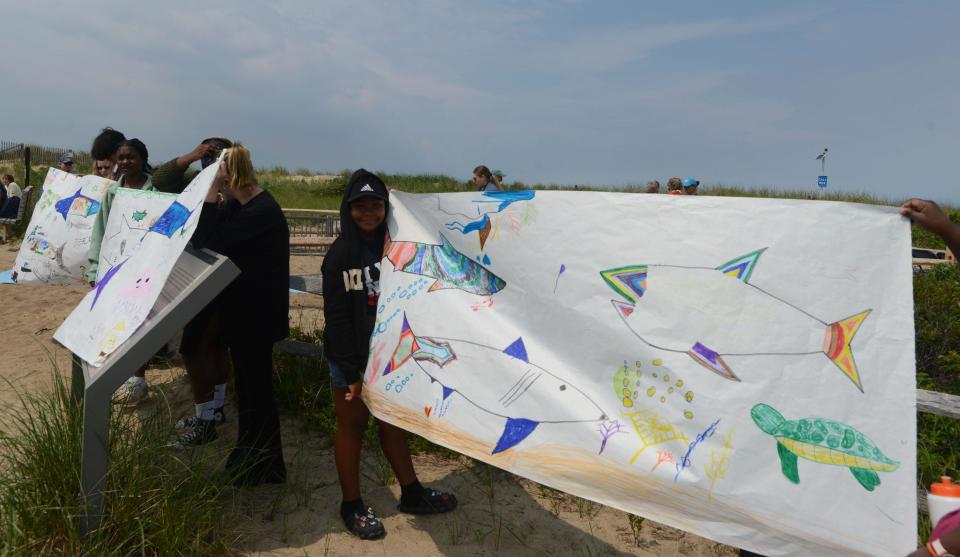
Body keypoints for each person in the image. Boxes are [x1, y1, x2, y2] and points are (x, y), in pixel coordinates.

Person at [322, 169, 458, 540]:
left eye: (377, 205)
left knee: (393, 420)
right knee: (352, 426)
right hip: (351, 355)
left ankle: (411, 491)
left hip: (391, 353)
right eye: (360, 206)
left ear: (387, 208)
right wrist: (350, 371)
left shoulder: (398, 244)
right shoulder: (340, 256)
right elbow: (336, 319)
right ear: (347, 209)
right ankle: (351, 503)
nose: (369, 213)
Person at [190, 144, 289, 485]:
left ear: (231, 177)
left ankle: (266, 465)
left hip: (257, 320)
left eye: (221, 179)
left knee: (257, 394)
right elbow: (210, 229)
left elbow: (205, 239)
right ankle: (252, 457)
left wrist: (211, 191)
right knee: (249, 393)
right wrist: (217, 196)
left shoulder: (261, 213)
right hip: (245, 317)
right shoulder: (242, 207)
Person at [160, 137, 235, 448]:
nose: (211, 158)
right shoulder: (196, 181)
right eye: (208, 152)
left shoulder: (234, 187)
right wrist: (192, 156)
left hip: (216, 278)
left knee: (194, 349)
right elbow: (161, 180)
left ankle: (206, 421)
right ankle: (214, 411)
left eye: (218, 153)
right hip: (199, 275)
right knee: (212, 347)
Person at [86, 138, 155, 405]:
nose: (125, 162)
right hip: (115, 268)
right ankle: (121, 375)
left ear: (142, 159)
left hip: (144, 270)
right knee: (115, 322)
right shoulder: (113, 192)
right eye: (122, 158)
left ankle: (138, 379)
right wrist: (95, 268)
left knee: (139, 324)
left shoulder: (156, 191)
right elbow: (99, 231)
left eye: (131, 157)